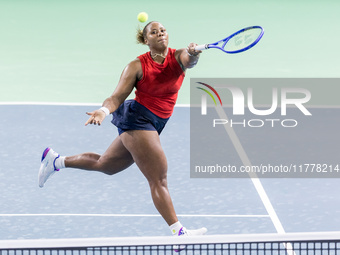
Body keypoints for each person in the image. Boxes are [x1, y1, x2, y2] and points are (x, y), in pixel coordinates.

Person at [38, 21, 207, 237]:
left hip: (157, 122)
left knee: (105, 165)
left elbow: (189, 61)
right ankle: (179, 233)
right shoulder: (136, 66)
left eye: (162, 31)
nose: (160, 34)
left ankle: (55, 161)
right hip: (138, 120)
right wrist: (103, 111)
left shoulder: (179, 56)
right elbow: (117, 97)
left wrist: (194, 54)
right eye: (154, 32)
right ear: (146, 40)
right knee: (158, 178)